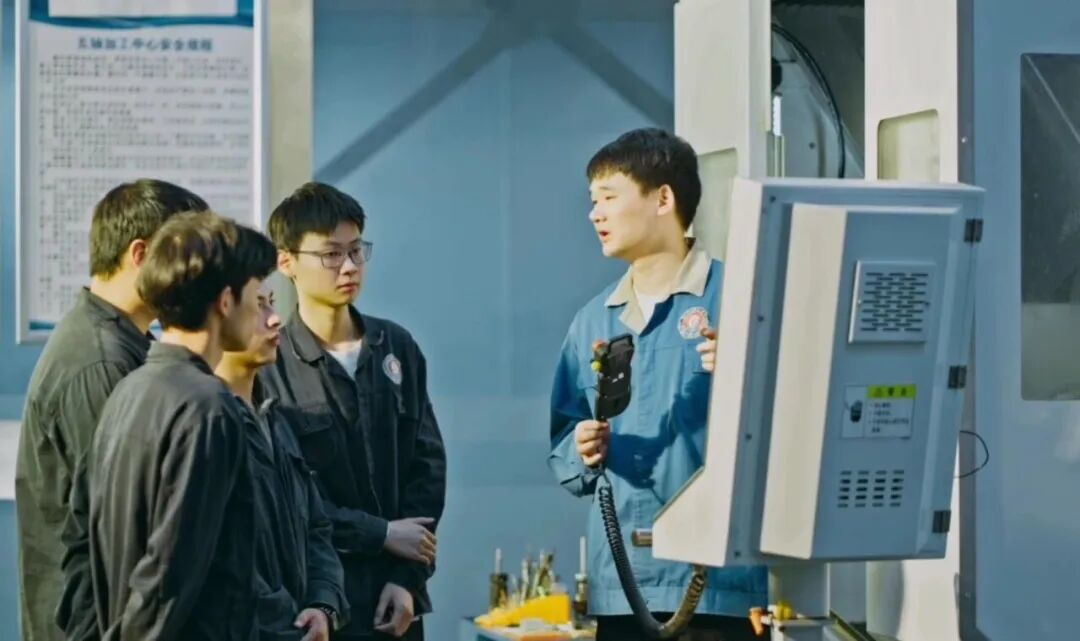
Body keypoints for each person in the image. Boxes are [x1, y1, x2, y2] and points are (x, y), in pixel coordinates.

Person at [548, 128, 767, 641]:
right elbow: (563, 447)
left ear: (663, 199)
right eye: (592, 201)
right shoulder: (593, 321)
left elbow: (800, 428)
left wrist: (749, 375)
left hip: (719, 591)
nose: (594, 214)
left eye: (608, 197)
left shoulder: (741, 299)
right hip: (622, 589)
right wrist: (581, 449)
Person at [15, 179, 207, 641]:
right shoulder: (100, 361)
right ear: (140, 255)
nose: (196, 275)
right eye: (185, 257)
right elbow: (123, 522)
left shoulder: (122, 342)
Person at [259, 183, 446, 640]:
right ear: (286, 262)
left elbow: (427, 469)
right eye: (331, 254)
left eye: (356, 251)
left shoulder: (394, 346)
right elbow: (289, 499)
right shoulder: (270, 366)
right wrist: (379, 532)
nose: (349, 267)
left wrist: (407, 581)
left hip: (398, 603)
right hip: (317, 603)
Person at [80, 213, 276, 640]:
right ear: (226, 300)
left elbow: (84, 537)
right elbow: (171, 569)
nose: (265, 312)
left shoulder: (131, 389)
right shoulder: (208, 407)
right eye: (256, 295)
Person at [214, 282, 348, 641]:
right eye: (259, 305)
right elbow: (224, 567)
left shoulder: (276, 419)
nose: (275, 319)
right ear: (221, 312)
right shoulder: (209, 425)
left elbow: (317, 527)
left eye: (273, 303)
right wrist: (288, 625)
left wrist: (322, 604)